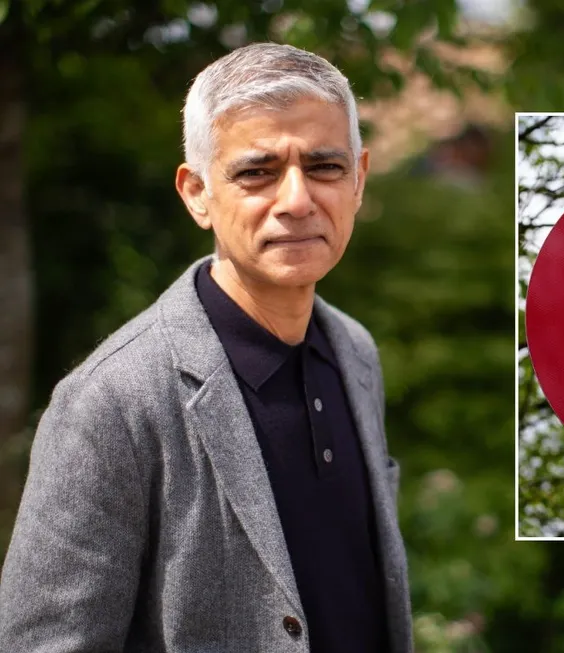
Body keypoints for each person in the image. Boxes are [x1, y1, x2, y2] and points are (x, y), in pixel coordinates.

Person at [0, 43, 410, 653]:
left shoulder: (354, 350)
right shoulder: (112, 401)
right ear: (196, 193)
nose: (297, 200)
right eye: (256, 172)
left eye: (325, 166)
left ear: (359, 180)